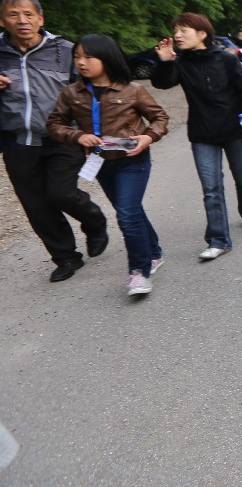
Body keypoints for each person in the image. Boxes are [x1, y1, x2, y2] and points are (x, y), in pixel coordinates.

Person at [47, 34, 169, 296]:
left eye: (88, 57)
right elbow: (55, 124)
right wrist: (77, 136)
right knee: (131, 211)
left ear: (107, 58)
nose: (81, 62)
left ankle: (138, 272)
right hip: (101, 162)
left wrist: (148, 137)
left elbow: (159, 117)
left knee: (126, 214)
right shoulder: (71, 93)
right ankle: (154, 253)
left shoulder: (132, 90)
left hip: (132, 160)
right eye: (77, 56)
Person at [0, 0, 109, 282]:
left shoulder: (66, 51)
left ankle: (94, 221)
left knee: (62, 193)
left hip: (65, 137)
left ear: (40, 19)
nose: (22, 21)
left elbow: (92, 91)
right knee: (36, 205)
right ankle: (65, 257)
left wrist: (93, 132)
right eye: (13, 15)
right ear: (2, 21)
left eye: (28, 14)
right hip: (18, 142)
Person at [152, 12, 242, 261]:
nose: (177, 35)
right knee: (211, 188)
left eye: (183, 30)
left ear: (202, 34)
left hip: (235, 130)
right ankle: (219, 240)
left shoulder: (226, 59)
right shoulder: (180, 62)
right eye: (176, 30)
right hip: (202, 134)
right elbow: (162, 83)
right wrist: (164, 62)